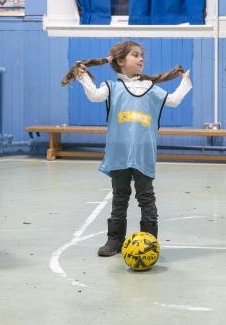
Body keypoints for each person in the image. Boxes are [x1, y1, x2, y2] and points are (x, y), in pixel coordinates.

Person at [68, 41, 192, 257]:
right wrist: (82, 76)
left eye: (142, 55)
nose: (141, 58)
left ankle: (150, 241)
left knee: (146, 198)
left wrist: (185, 82)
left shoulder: (150, 88)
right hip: (119, 152)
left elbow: (172, 101)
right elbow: (95, 95)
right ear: (120, 61)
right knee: (120, 196)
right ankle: (114, 240)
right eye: (135, 55)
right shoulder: (112, 87)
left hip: (144, 153)